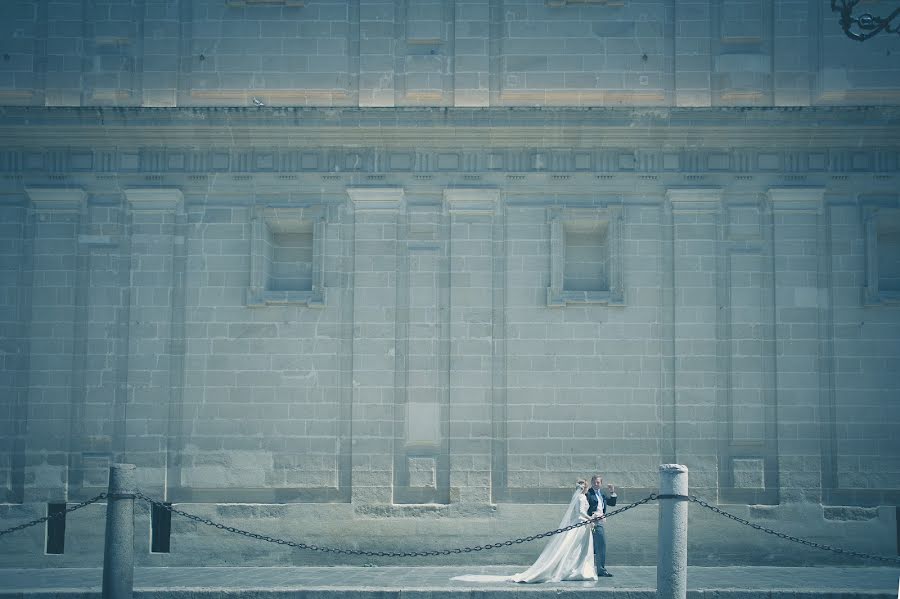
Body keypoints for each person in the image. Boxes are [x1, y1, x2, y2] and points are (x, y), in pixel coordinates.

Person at [452, 480, 598, 584]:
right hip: (580, 524)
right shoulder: (580, 497)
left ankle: (577, 569)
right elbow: (579, 513)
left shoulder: (582, 497)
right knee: (574, 549)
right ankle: (575, 570)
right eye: (585, 486)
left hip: (582, 525)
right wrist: (591, 518)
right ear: (583, 487)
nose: (585, 488)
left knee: (576, 550)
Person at [586, 474, 616, 577]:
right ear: (591, 483)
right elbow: (584, 507)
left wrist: (612, 492)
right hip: (590, 523)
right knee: (591, 547)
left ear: (601, 484)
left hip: (599, 523)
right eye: (594, 482)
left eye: (598, 482)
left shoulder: (602, 494)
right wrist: (591, 516)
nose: (596, 484)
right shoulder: (588, 493)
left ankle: (601, 570)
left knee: (600, 546)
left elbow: (612, 503)